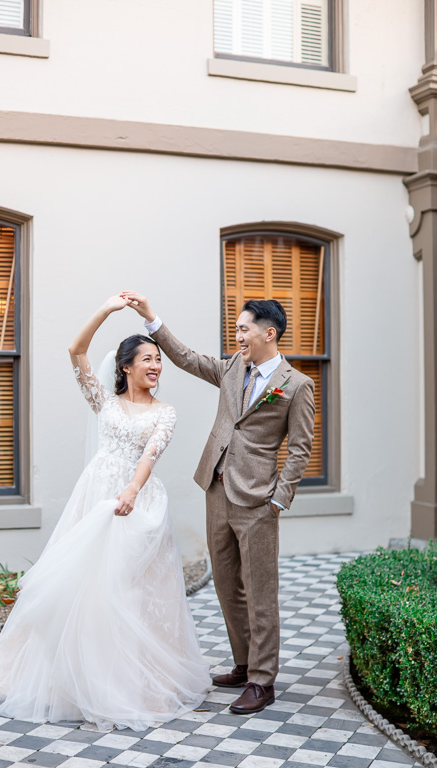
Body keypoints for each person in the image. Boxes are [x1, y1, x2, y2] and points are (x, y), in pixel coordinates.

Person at [0, 294, 211, 732]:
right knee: (86, 588)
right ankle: (77, 685)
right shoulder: (104, 402)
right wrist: (107, 309)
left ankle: (131, 687)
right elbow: (75, 350)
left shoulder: (165, 413)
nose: (156, 365)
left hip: (139, 504)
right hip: (95, 495)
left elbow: (151, 454)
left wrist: (131, 491)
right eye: (148, 359)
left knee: (130, 593)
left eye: (159, 360)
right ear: (126, 367)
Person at [122, 291, 315, 715]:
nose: (238, 336)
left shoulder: (297, 385)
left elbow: (301, 449)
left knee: (261, 591)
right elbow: (186, 357)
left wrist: (278, 500)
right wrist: (152, 318)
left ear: (268, 333)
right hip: (216, 489)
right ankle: (244, 665)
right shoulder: (231, 368)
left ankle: (262, 681)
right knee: (227, 585)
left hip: (258, 501)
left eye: (244, 329)